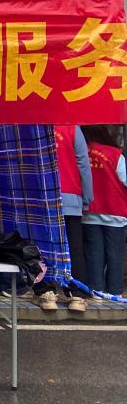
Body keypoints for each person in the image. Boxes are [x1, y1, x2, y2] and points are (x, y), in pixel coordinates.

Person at [36, 125, 93, 312]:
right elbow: (83, 164)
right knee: (74, 249)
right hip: (70, 197)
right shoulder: (72, 129)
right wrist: (87, 198)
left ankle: (47, 293)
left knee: (43, 249)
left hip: (42, 198)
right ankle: (77, 296)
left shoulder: (35, 125)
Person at [81, 125, 127, 297]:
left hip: (90, 211)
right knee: (115, 254)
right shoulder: (115, 154)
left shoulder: (83, 152)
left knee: (94, 252)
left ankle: (96, 289)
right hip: (115, 211)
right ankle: (114, 291)